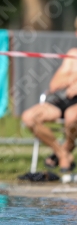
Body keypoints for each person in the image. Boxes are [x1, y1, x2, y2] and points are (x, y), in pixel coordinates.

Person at [22, 42, 77, 172]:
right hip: (65, 99)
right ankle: (62, 154)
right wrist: (72, 79)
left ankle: (67, 148)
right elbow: (54, 85)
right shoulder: (72, 54)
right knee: (29, 117)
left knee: (71, 116)